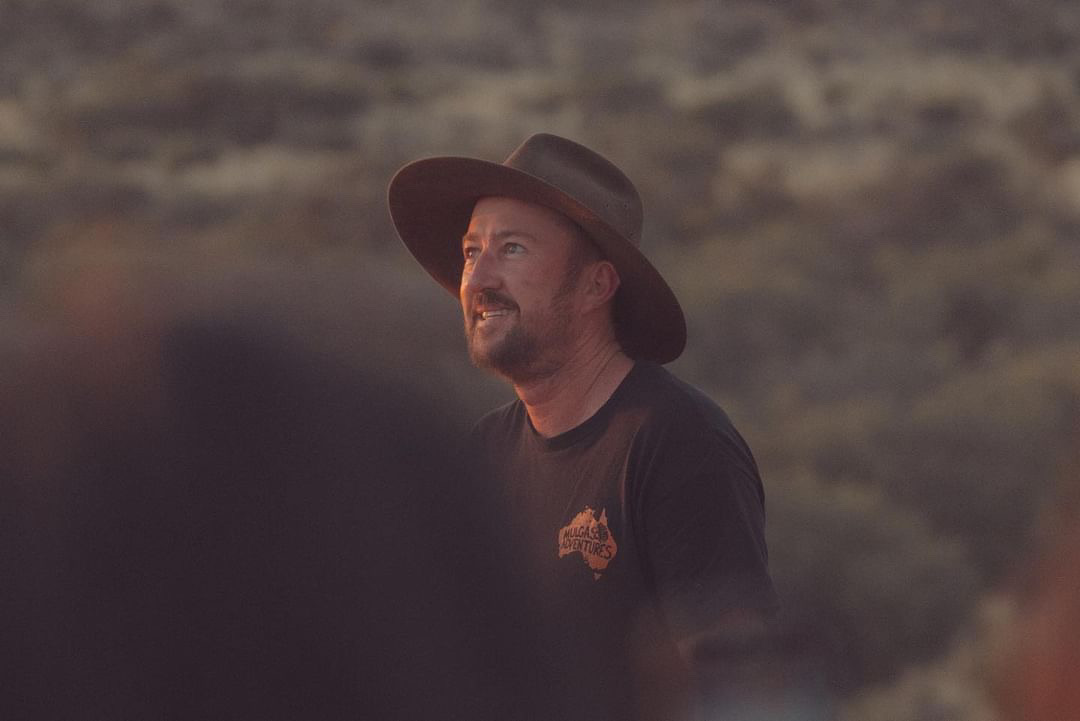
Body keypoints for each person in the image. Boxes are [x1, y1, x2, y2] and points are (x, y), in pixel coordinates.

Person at [388, 133, 780, 719]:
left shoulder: (676, 442)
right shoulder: (482, 455)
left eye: (513, 249)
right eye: (472, 252)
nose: (479, 278)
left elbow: (744, 691)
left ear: (598, 285)